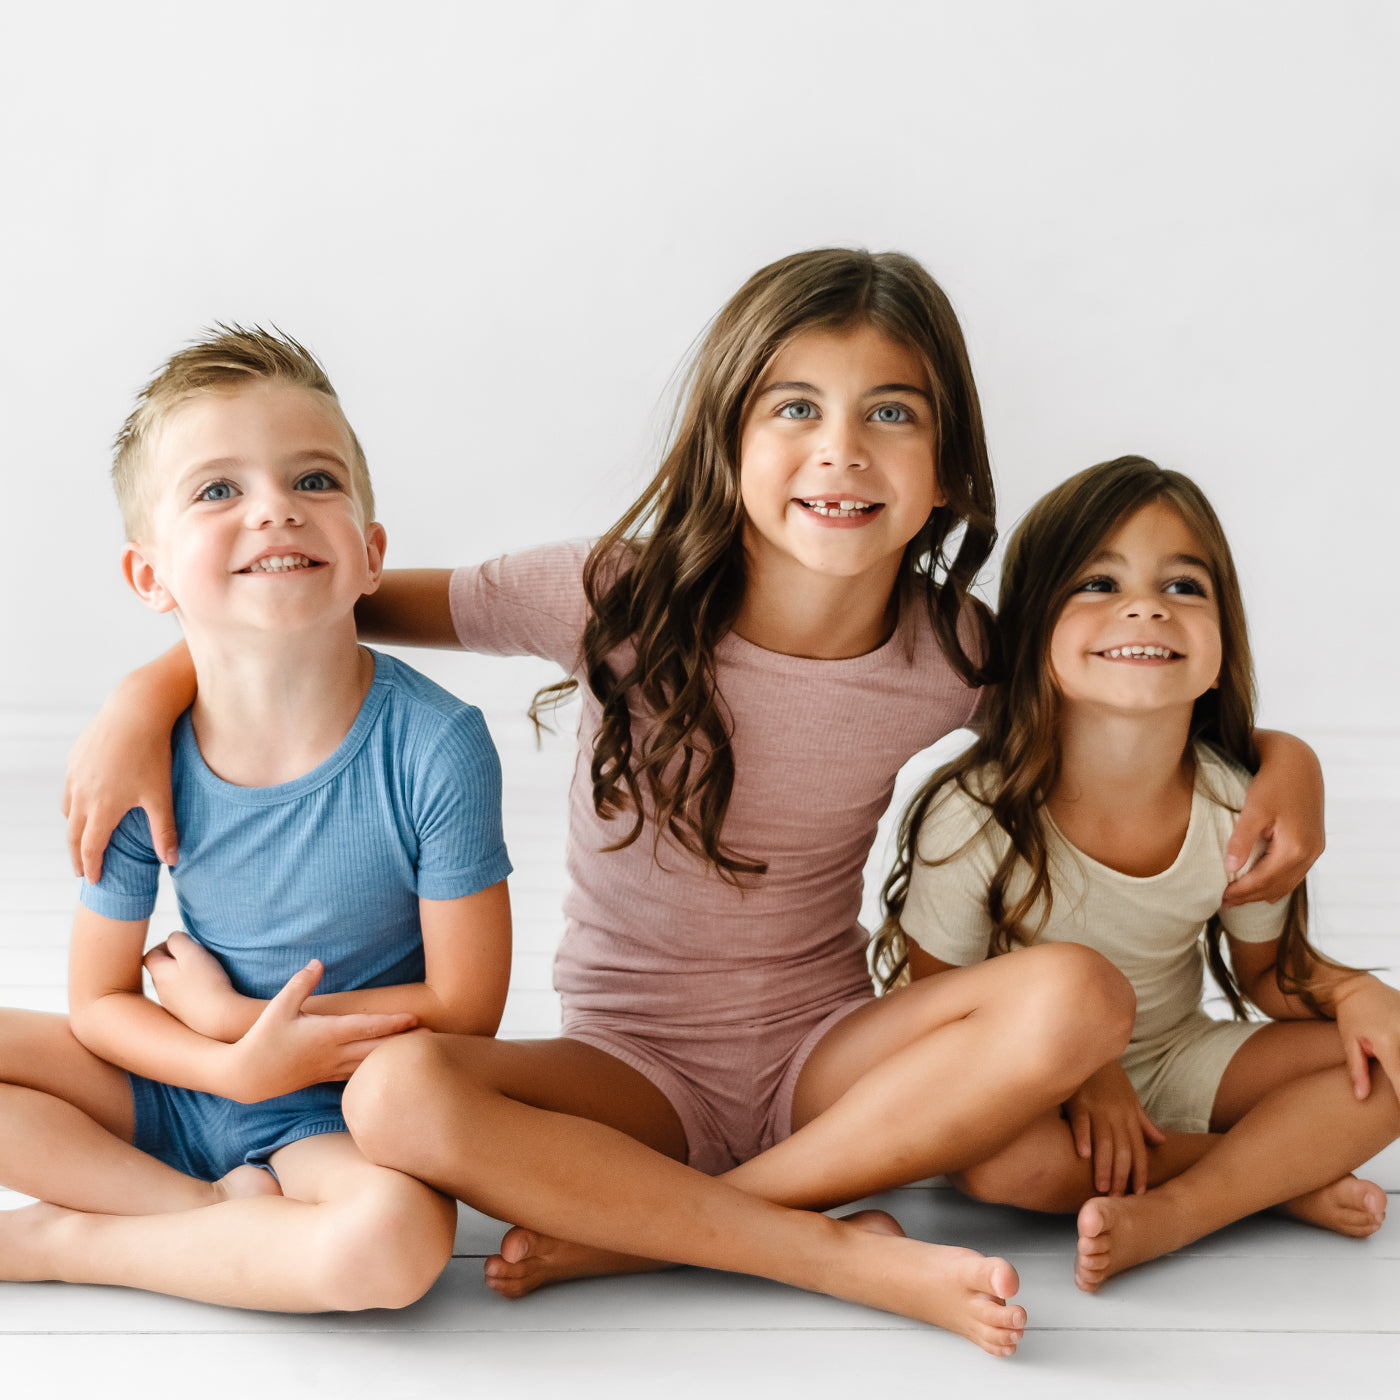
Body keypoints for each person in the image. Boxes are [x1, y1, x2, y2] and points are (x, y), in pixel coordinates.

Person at [62, 252, 1323, 1354]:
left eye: (891, 411)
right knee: (394, 1097)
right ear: (726, 441)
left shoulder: (954, 646)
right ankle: (824, 1247)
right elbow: (311, 601)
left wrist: (1288, 763)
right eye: (794, 407)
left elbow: (1118, 693)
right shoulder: (612, 593)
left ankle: (681, 1228)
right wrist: (143, 690)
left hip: (826, 1055)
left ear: (945, 472)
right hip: (623, 1066)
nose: (841, 448)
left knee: (1080, 996)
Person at [0, 328, 513, 1311]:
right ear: (149, 576)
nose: (275, 506)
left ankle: (69, 1239)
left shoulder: (436, 744)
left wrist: (245, 1027)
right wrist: (223, 1063)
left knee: (393, 1248)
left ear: (370, 553)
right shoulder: (139, 754)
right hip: (176, 1078)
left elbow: (464, 1006)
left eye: (314, 479)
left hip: (338, 1110)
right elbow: (98, 1000)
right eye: (217, 489)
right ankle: (198, 1207)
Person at [873, 456, 1399, 1292]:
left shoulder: (1236, 809)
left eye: (1185, 587)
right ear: (1033, 636)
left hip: (1179, 1054)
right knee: (1004, 1169)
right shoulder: (977, 816)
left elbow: (1267, 977)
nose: (1147, 605)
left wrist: (1355, 995)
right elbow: (934, 1009)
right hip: (1027, 1081)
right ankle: (1265, 1180)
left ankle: (1187, 1207)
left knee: (1382, 1072)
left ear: (1222, 651)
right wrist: (1082, 1069)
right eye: (1097, 582)